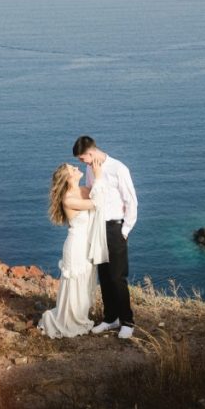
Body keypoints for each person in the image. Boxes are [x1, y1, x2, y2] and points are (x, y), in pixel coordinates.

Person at [73, 135, 137, 339]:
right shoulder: (90, 169)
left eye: (83, 159)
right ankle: (111, 318)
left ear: (90, 153)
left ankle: (127, 321)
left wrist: (125, 231)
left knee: (118, 277)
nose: (82, 163)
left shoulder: (119, 169)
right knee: (104, 276)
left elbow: (131, 202)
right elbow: (93, 193)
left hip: (115, 227)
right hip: (98, 227)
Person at [37, 163, 109, 338]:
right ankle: (69, 320)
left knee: (85, 282)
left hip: (87, 245)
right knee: (75, 282)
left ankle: (80, 315)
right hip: (76, 246)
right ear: (68, 178)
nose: (77, 168)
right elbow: (97, 202)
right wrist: (98, 175)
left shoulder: (84, 190)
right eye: (73, 169)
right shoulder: (68, 198)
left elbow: (101, 193)